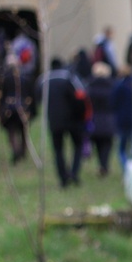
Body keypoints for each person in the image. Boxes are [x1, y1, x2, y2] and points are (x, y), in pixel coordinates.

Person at [36, 58, 90, 187]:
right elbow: (82, 96)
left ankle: (63, 178)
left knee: (58, 150)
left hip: (54, 121)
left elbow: (38, 98)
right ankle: (74, 172)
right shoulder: (70, 78)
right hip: (73, 120)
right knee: (77, 146)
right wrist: (82, 116)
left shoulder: (43, 79)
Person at [87, 62, 116, 177]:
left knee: (98, 144)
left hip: (94, 119)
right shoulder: (112, 86)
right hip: (109, 119)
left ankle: (101, 165)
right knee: (107, 144)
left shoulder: (89, 86)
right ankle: (104, 165)